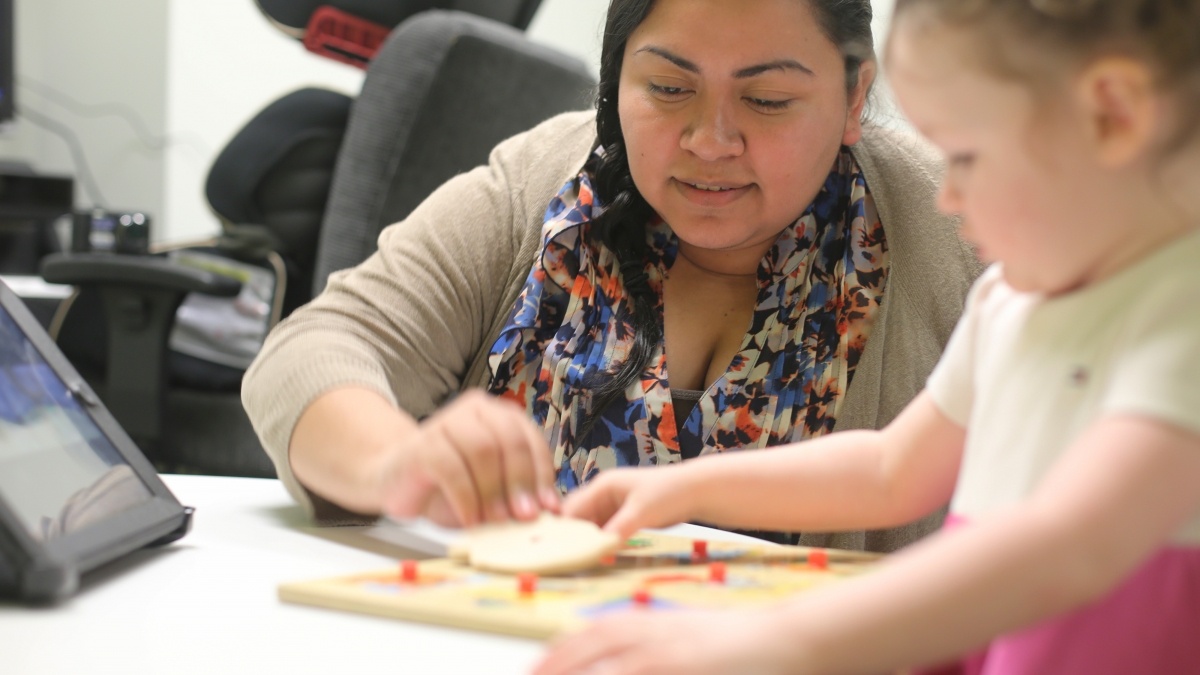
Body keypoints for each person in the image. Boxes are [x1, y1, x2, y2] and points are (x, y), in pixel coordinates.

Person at [532, 0, 1200, 673]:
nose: (949, 195)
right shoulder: (1013, 303)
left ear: (1112, 114)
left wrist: (770, 642)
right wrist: (683, 489)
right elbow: (890, 469)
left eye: (966, 155)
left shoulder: (1183, 321)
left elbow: (1069, 547)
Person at [240, 0, 980, 552]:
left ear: (854, 98)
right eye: (667, 88)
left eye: (766, 101)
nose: (710, 141)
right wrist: (397, 460)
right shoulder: (547, 178)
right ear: (615, 79)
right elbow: (315, 349)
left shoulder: (967, 228)